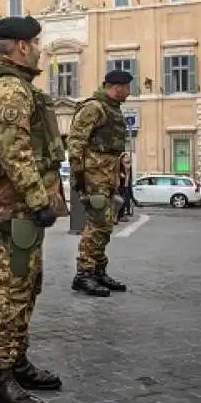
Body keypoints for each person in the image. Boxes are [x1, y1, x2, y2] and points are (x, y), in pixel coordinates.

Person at [0, 15, 67, 403]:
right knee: (8, 291)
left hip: (21, 206)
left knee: (26, 286)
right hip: (15, 207)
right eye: (38, 43)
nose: (41, 49)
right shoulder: (9, 89)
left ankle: (16, 362)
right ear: (22, 47)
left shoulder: (13, 85)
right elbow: (15, 152)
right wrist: (38, 199)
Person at [67, 70, 132, 297]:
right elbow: (75, 143)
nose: (129, 93)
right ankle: (84, 274)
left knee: (104, 225)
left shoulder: (111, 108)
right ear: (117, 87)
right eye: (127, 88)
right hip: (94, 177)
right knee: (97, 225)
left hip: (106, 176)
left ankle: (97, 270)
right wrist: (80, 177)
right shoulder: (94, 107)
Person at [116, 152, 134, 223]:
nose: (127, 158)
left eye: (128, 157)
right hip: (121, 185)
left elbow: (129, 177)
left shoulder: (129, 166)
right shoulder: (120, 166)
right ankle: (118, 216)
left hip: (126, 185)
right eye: (125, 157)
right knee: (120, 201)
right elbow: (120, 175)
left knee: (125, 201)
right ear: (122, 159)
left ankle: (122, 215)